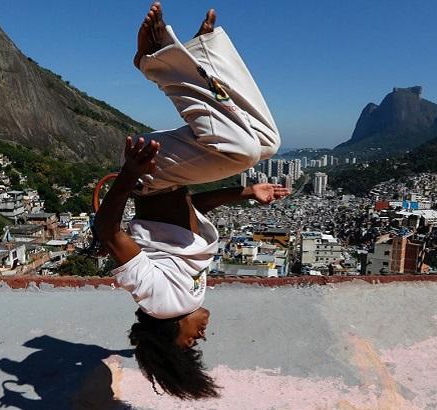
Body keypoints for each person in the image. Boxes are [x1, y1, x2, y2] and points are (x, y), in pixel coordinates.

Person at [92, 2, 289, 400]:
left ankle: (155, 62)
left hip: (149, 175)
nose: (201, 336)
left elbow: (106, 231)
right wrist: (245, 193)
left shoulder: (159, 301)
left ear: (168, 336)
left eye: (190, 344)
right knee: (267, 144)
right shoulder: (187, 296)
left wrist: (130, 173)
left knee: (242, 151)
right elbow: (192, 215)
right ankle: (207, 51)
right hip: (171, 181)